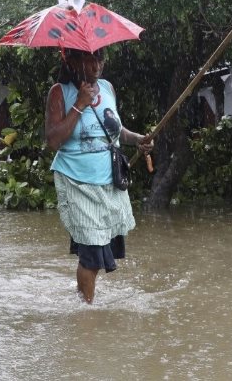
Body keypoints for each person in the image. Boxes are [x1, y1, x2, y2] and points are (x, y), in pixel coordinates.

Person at [45, 48, 154, 304]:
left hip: (108, 181)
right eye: (90, 60)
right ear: (72, 62)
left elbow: (115, 129)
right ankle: (86, 315)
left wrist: (138, 140)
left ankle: (82, 299)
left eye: (100, 59)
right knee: (92, 255)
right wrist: (79, 104)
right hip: (76, 182)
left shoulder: (107, 88)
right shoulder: (60, 92)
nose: (97, 66)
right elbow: (54, 141)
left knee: (98, 249)